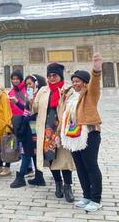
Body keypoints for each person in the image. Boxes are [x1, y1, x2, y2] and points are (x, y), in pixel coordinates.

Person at [60, 53, 103, 212]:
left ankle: (96, 199)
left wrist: (96, 70)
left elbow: (95, 83)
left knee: (91, 166)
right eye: (73, 81)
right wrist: (59, 135)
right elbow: (65, 116)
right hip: (73, 137)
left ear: (85, 83)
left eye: (78, 81)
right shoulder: (71, 97)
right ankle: (86, 196)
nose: (75, 84)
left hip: (89, 135)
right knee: (80, 167)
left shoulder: (90, 94)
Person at [33, 63, 76, 203]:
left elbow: (72, 107)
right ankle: (58, 183)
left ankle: (67, 186)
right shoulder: (43, 91)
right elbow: (35, 108)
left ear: (60, 76)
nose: (52, 78)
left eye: (54, 75)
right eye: (49, 76)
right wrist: (31, 98)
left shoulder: (67, 89)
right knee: (51, 157)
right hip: (47, 130)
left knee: (64, 158)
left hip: (62, 129)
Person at [9, 74, 46, 188]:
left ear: (37, 83)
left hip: (35, 128)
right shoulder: (29, 94)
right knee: (31, 151)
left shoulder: (41, 95)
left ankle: (20, 177)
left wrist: (27, 119)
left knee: (26, 151)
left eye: (30, 83)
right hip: (27, 127)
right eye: (26, 84)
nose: (28, 86)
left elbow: (39, 112)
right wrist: (17, 103)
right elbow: (27, 110)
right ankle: (39, 177)